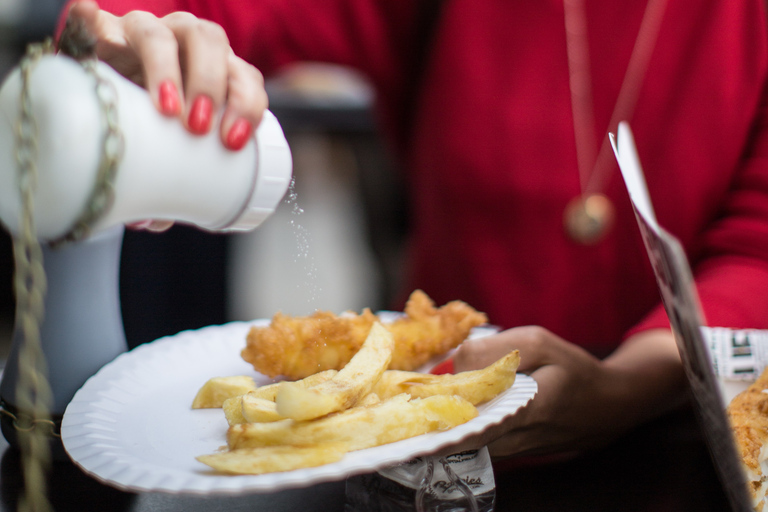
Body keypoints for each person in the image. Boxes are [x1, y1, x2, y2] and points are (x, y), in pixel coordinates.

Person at [59, 0, 768, 461]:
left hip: (686, 444)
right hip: (421, 456)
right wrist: (129, 44)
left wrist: (624, 387)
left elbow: (757, 249)